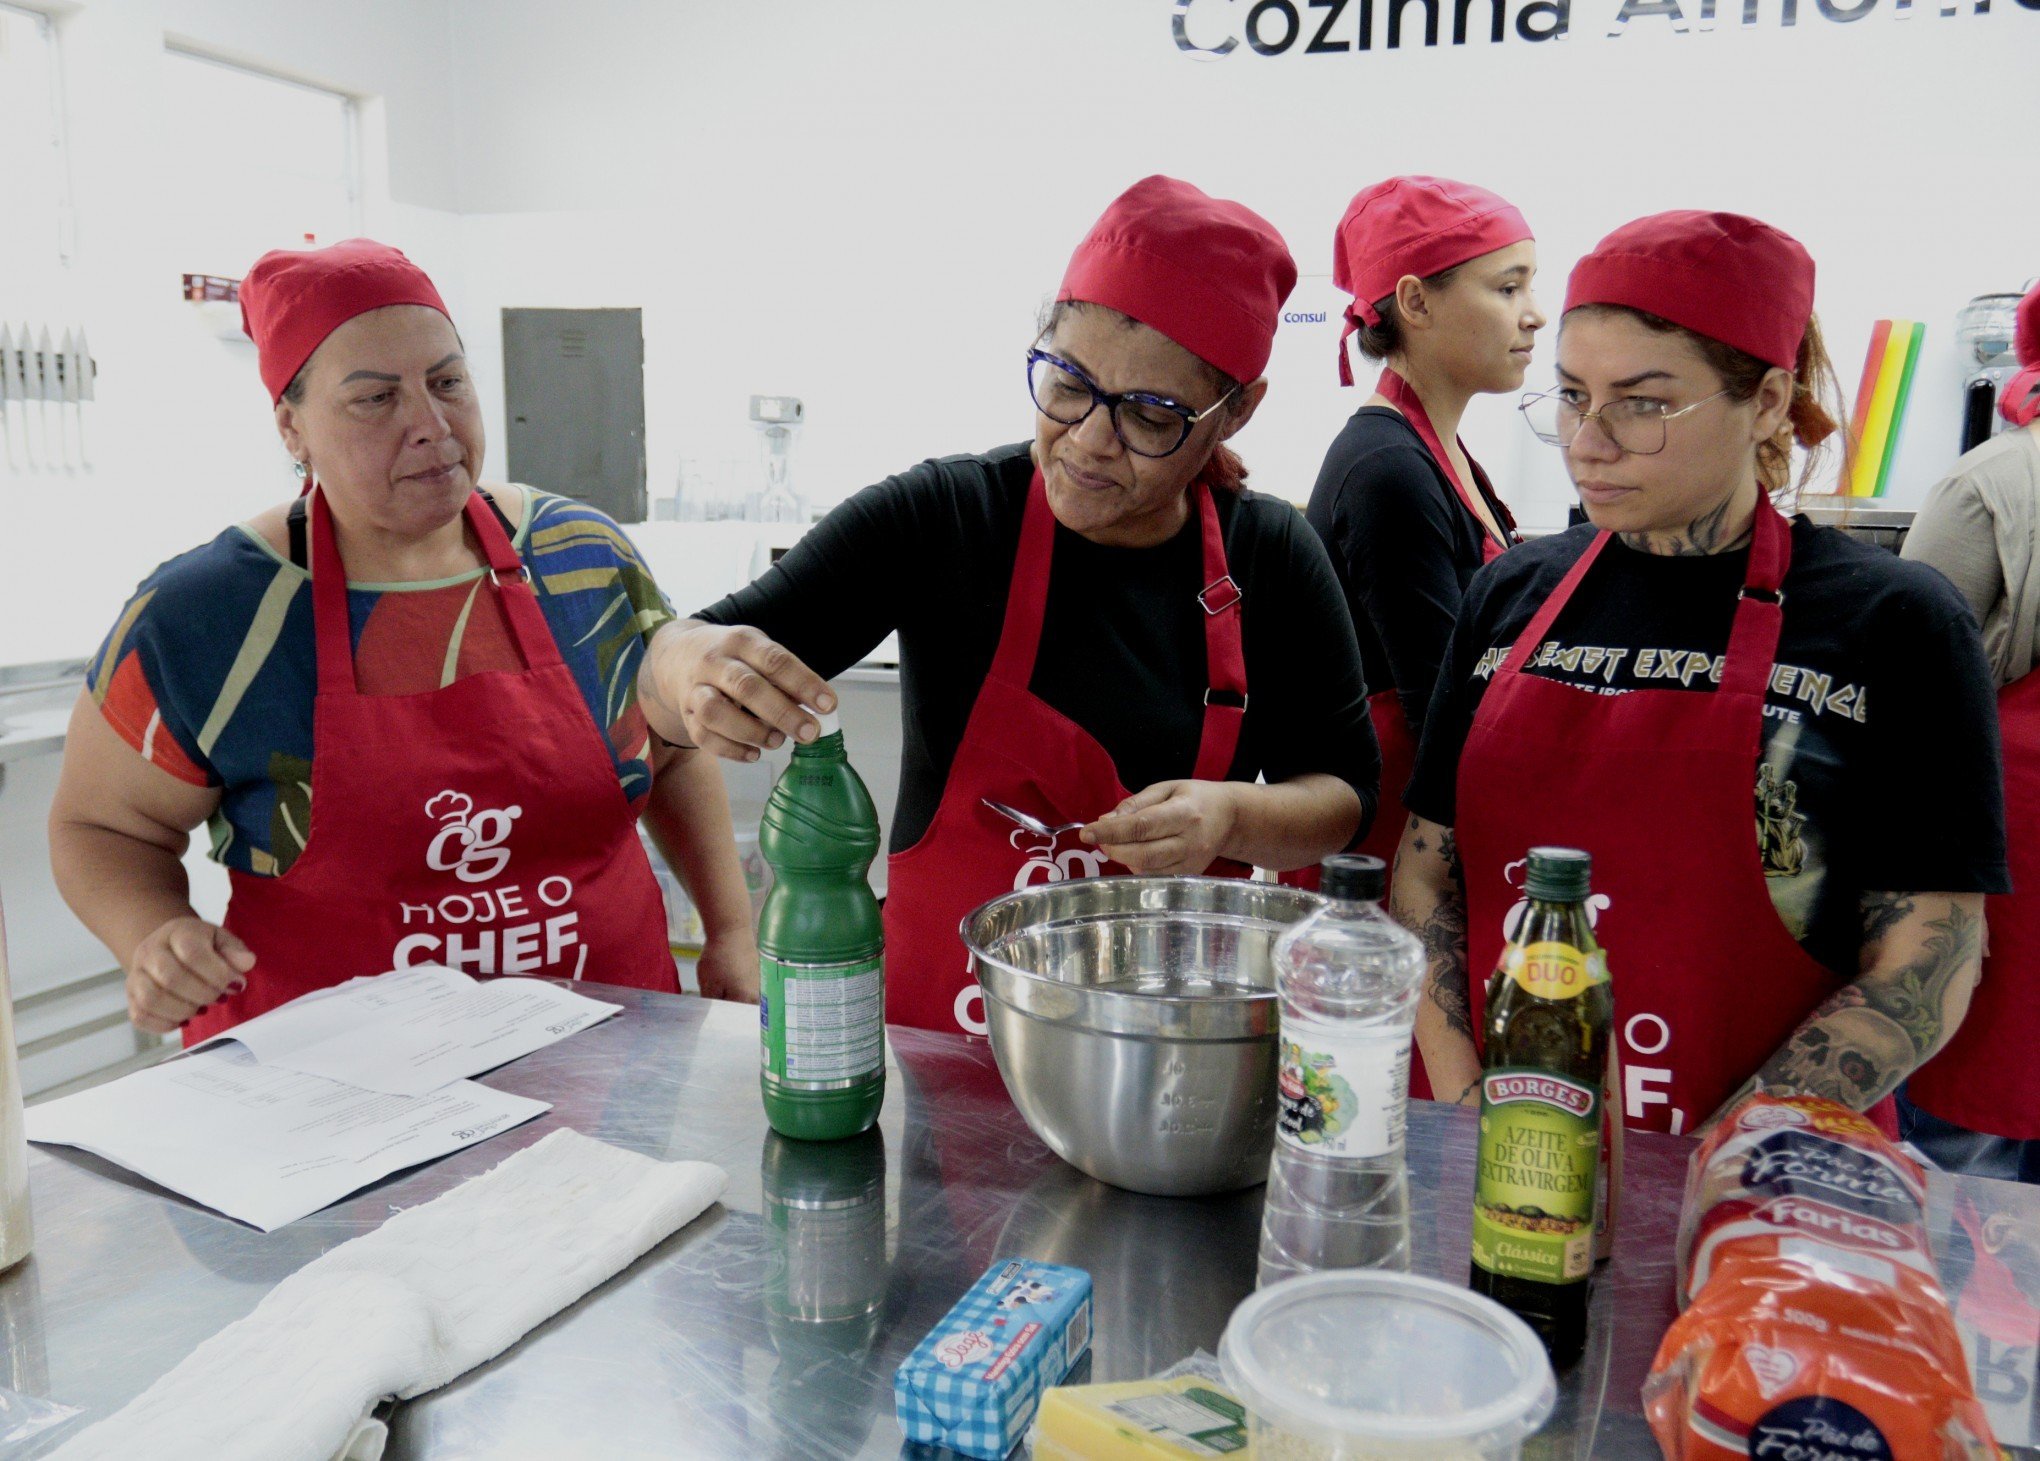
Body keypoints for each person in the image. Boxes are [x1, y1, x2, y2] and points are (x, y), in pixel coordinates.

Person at [636, 176, 1378, 1037]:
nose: (1092, 440)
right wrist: (684, 665)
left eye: (1150, 415)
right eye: (1068, 383)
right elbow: (677, 664)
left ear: (1235, 412)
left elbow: (1344, 794)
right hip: (938, 1051)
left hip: (1153, 1062)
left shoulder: (1272, 558)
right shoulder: (944, 520)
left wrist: (1232, 817)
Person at [1389, 210, 2007, 1137]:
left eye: (1642, 402)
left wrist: (1721, 1152)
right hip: (1502, 1152)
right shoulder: (1511, 593)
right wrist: (1476, 1106)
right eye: (1570, 394)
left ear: (1764, 402)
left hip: (1768, 1183)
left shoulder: (1894, 622)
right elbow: (1429, 876)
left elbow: (1929, 959)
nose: (1588, 441)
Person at [50, 239, 757, 1042]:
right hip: (328, 1098)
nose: (431, 424)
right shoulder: (210, 616)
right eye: (375, 398)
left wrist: (729, 927)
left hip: (610, 1058)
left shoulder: (579, 559)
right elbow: (100, 826)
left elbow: (670, 750)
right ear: (291, 427)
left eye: (447, 382)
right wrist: (151, 932)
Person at [1306, 177, 1540, 867]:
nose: (1536, 314)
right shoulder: (1386, 469)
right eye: (1508, 288)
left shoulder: (1435, 454)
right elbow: (1443, 710)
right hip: (1392, 861)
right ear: (1414, 301)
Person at [1896, 277, 2040, 1180]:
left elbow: (1912, 694)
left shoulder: (1995, 478)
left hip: (2008, 832)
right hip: (2007, 828)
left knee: (1953, 1148)